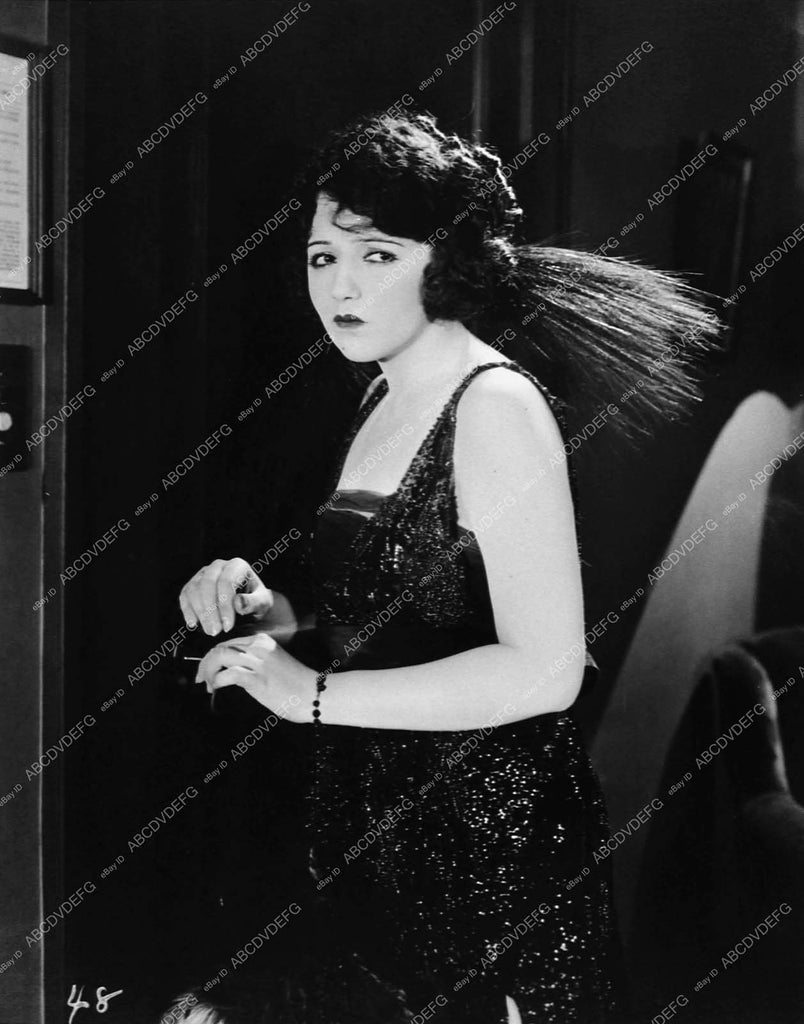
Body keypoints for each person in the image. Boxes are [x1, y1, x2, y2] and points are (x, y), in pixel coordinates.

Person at [180, 110, 722, 1023]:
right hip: (385, 828)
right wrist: (269, 609)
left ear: (447, 262)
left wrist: (310, 696)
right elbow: (396, 611)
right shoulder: (384, 394)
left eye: (378, 255)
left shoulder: (494, 406)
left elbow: (548, 672)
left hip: (488, 845)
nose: (341, 286)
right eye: (323, 257)